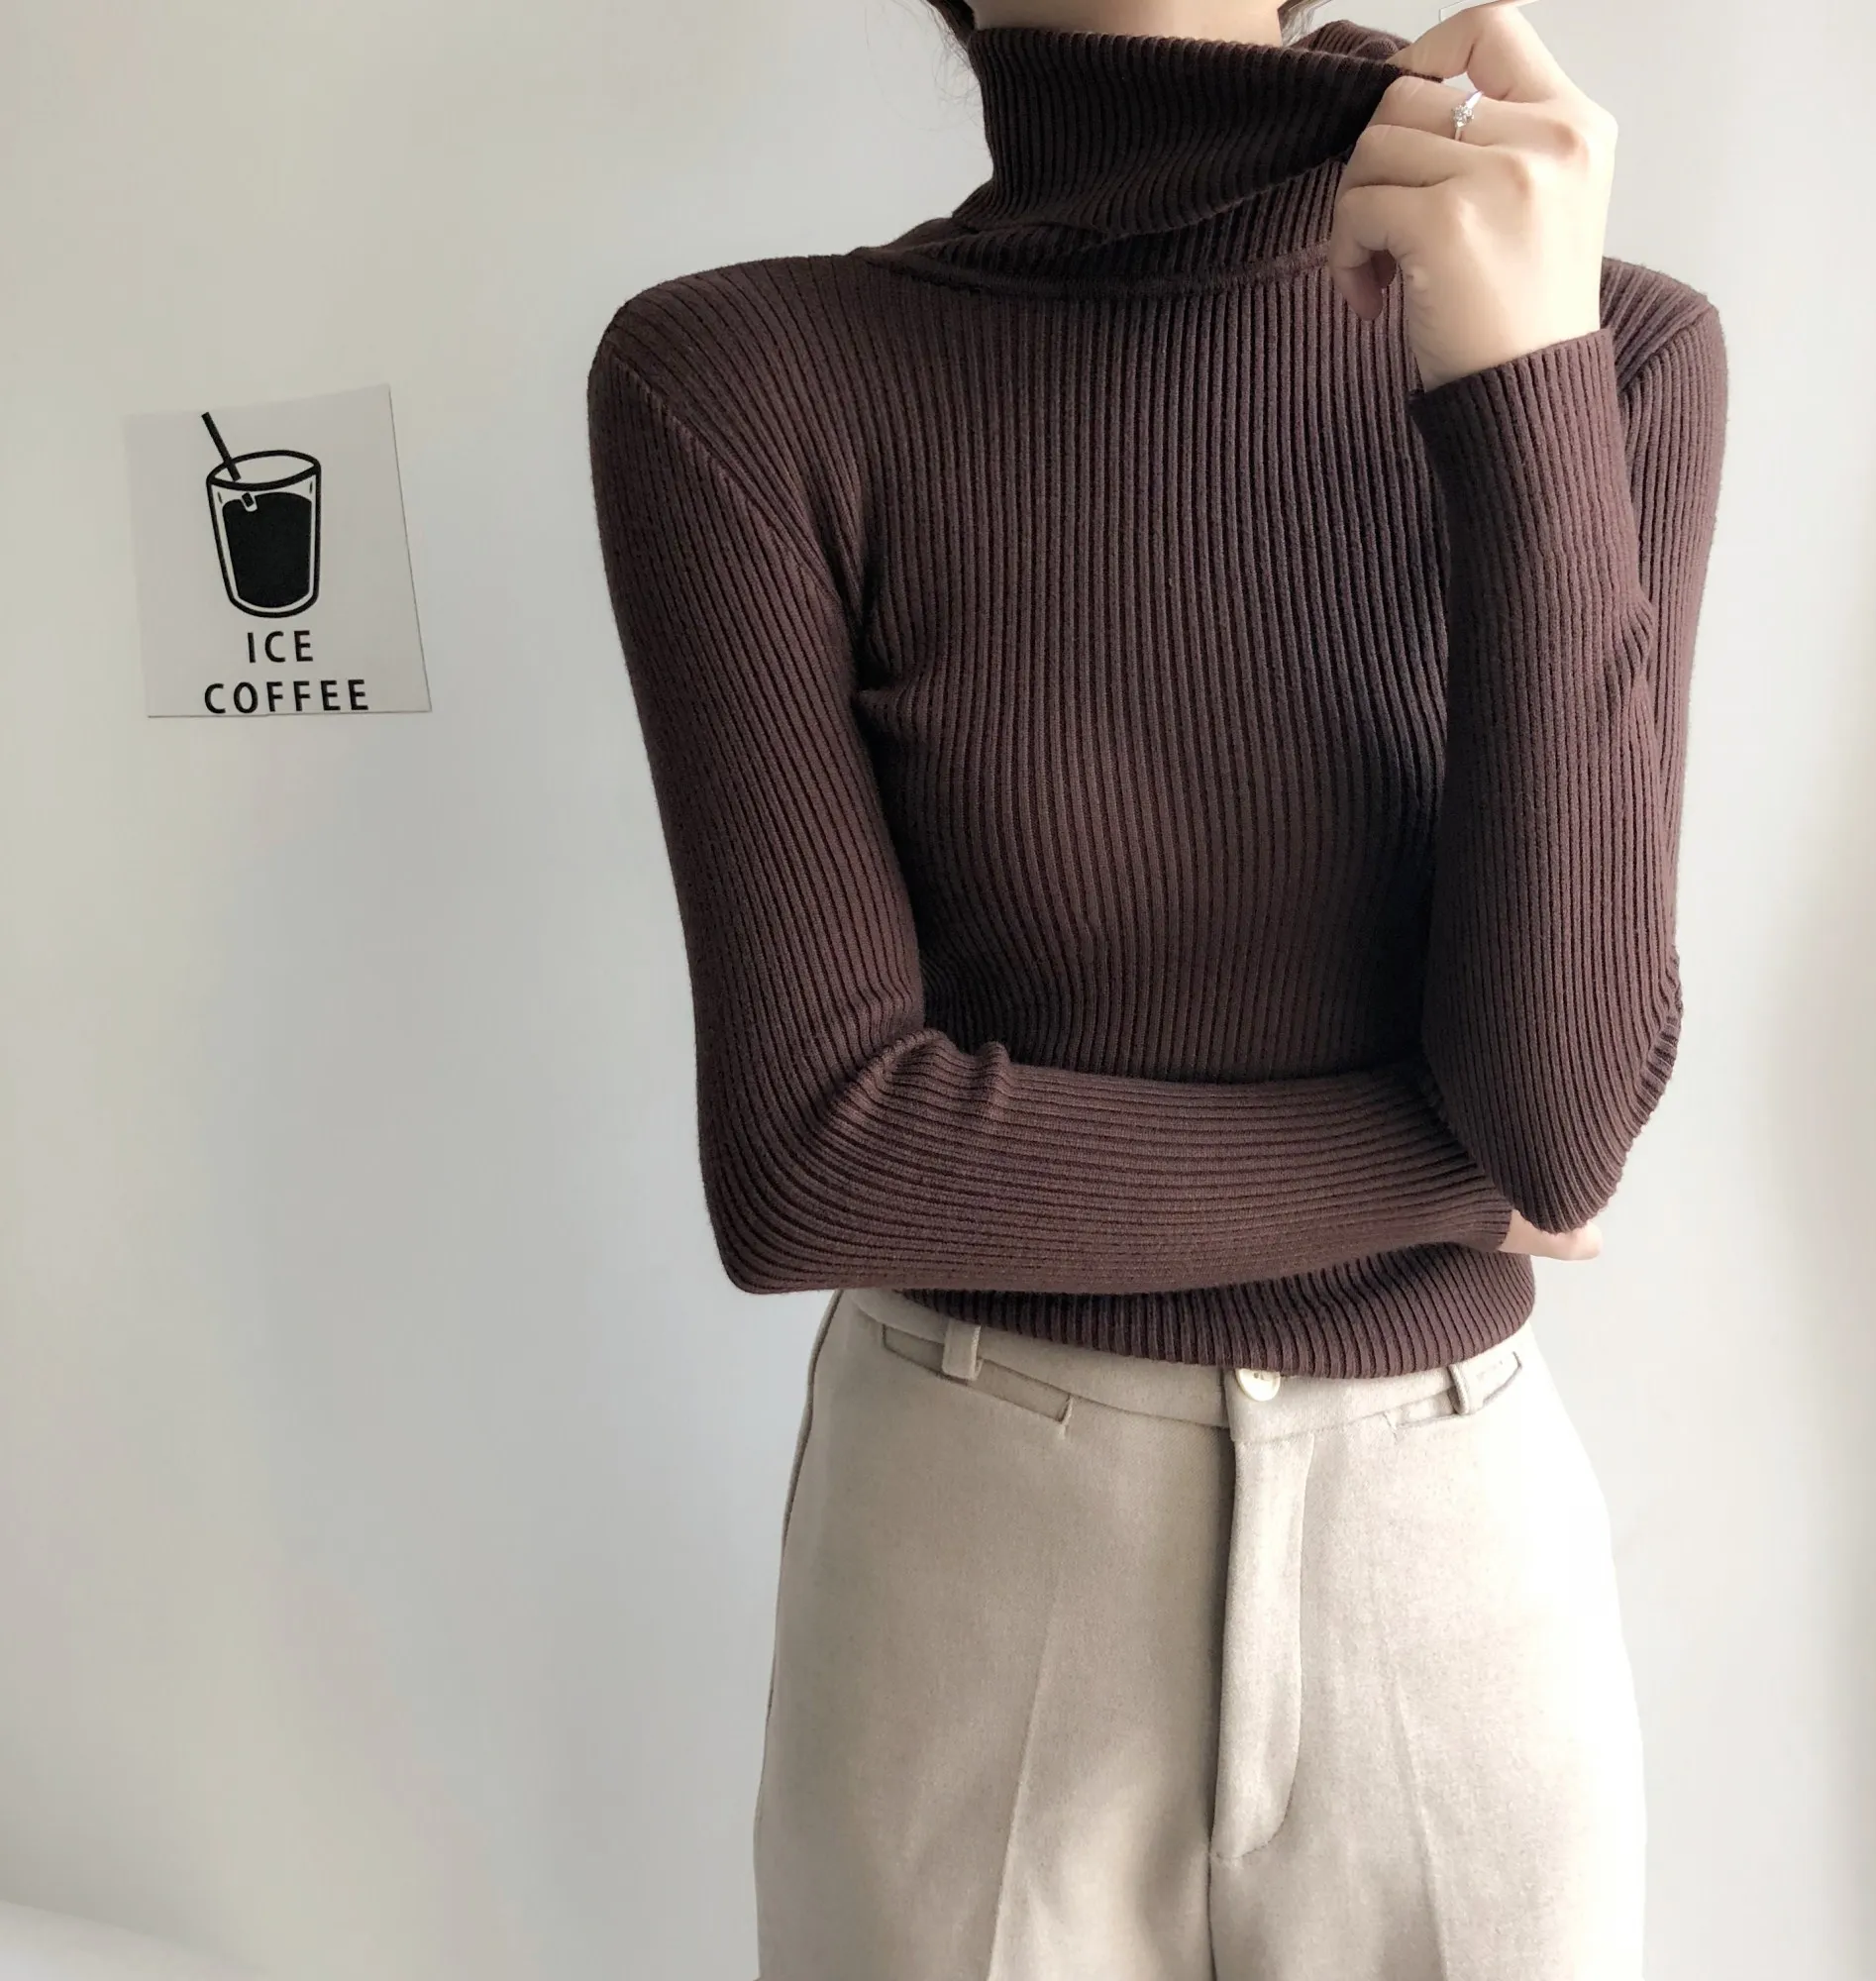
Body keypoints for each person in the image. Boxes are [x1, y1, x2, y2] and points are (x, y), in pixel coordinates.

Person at [586, 0, 1727, 1972]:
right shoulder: (746, 378)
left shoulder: (1612, 346)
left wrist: (1519, 388)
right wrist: (1448, 1176)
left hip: (1450, 1583)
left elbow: (1559, 1111)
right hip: (973, 1564)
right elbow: (819, 1162)